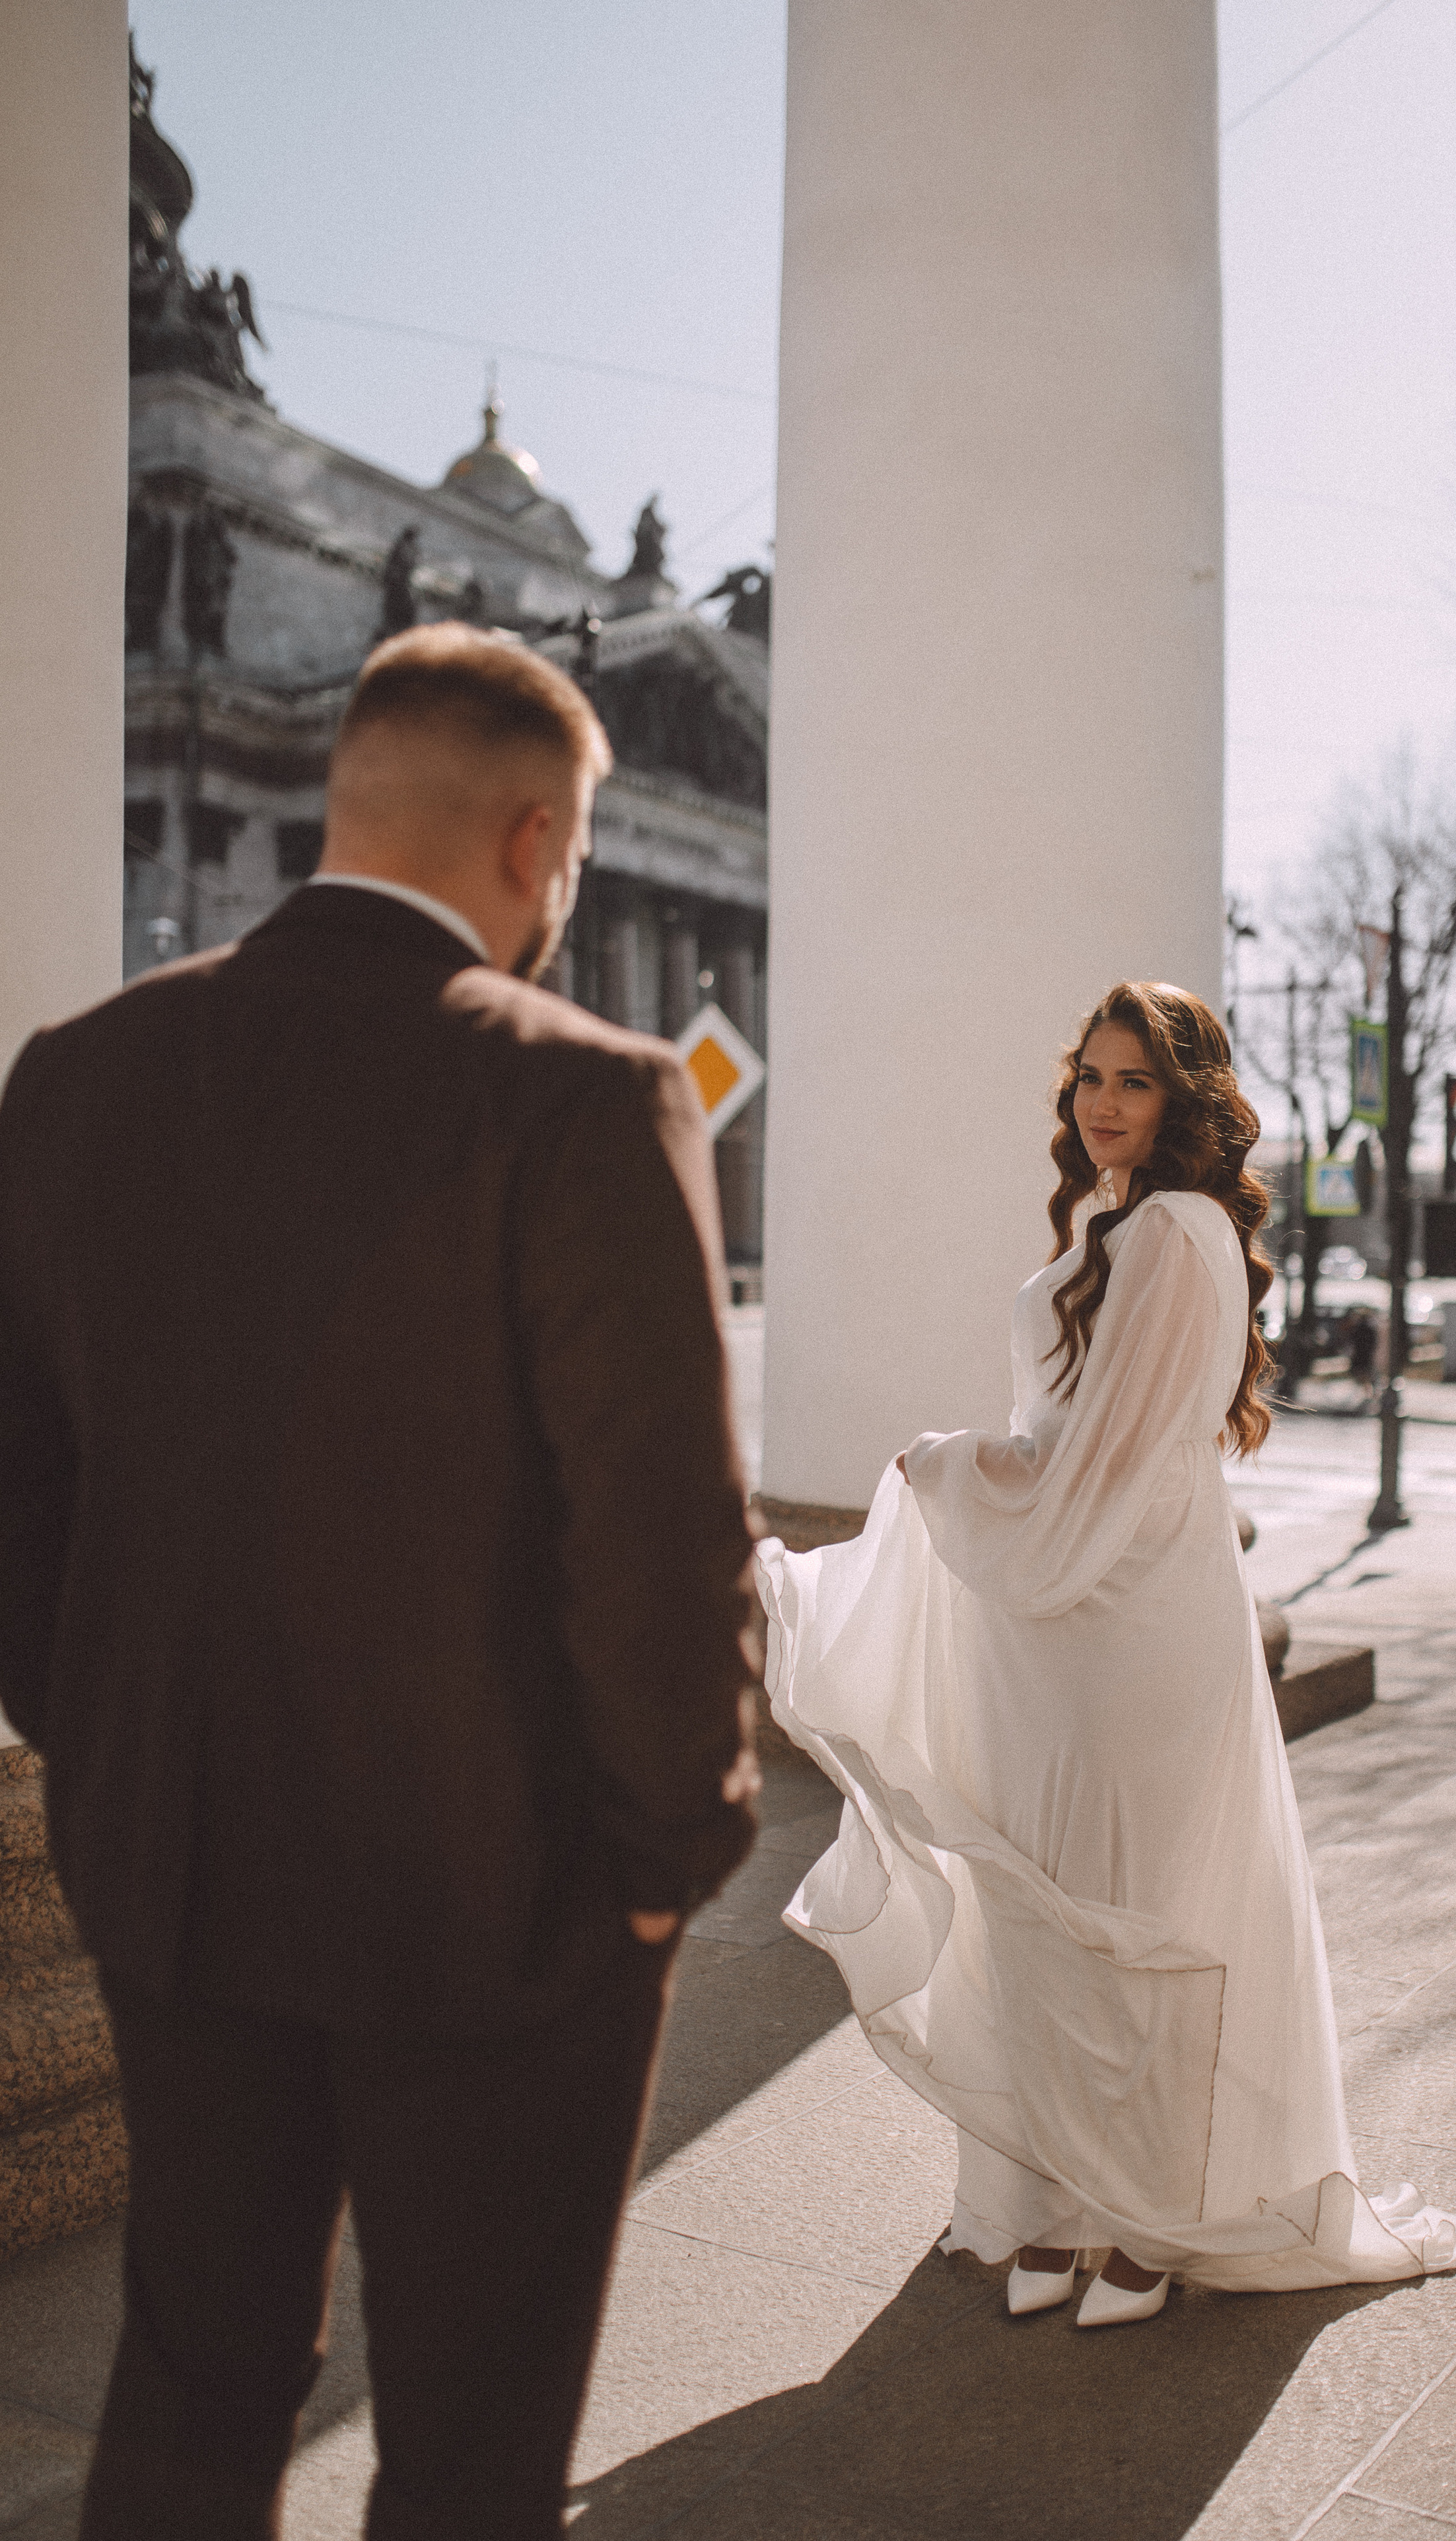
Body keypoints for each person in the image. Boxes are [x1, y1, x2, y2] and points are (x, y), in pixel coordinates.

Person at [0, 625, 759, 2538]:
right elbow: (661, 1545)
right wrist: (670, 1857)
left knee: (193, 2375)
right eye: (574, 859)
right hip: (498, 1892)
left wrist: (100, 1755)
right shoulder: (586, 1094)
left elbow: (20, 1496)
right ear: (531, 840)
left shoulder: (77, 1075)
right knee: (471, 2437)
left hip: (173, 1856)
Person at [758, 982, 1456, 2323]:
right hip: (1054, 1617)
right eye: (1087, 1077)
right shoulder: (1110, 1218)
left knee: (1142, 1902)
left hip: (1138, 1614)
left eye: (1132, 1080)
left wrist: (951, 1464)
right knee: (1050, 1906)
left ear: (1188, 1101)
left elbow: (1106, 1458)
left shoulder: (1178, 1233)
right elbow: (1075, 1438)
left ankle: (1156, 2216)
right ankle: (1055, 2196)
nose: (1100, 1102)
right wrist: (991, 1476)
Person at [1346, 1306, 1380, 1406]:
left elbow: (1353, 1341)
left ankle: (1369, 1391)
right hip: (1365, 1354)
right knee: (1366, 1373)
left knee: (1363, 1373)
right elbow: (1374, 1342)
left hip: (1360, 1354)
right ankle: (1370, 1392)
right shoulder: (1369, 1328)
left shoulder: (1358, 1328)